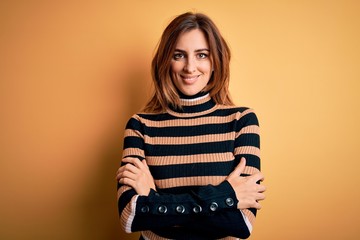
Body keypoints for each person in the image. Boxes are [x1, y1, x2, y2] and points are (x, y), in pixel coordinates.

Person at [116, 12, 265, 240]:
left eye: (201, 55)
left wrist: (152, 198)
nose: (190, 67)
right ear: (166, 61)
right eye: (179, 55)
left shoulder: (241, 121)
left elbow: (241, 223)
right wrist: (227, 195)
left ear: (215, 61)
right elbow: (131, 217)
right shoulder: (140, 125)